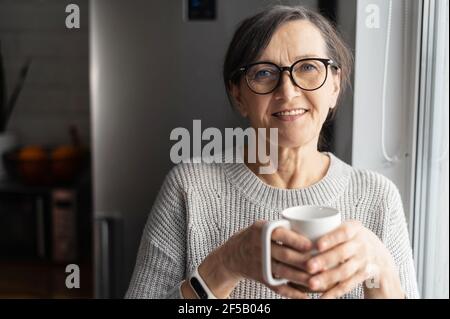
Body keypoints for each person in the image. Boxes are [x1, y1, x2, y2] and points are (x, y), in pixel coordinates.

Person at [125, 5, 419, 299]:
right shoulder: (189, 188)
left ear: (335, 85)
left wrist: (381, 270)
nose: (288, 92)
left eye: (308, 67)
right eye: (264, 72)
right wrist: (226, 264)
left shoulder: (378, 198)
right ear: (238, 95)